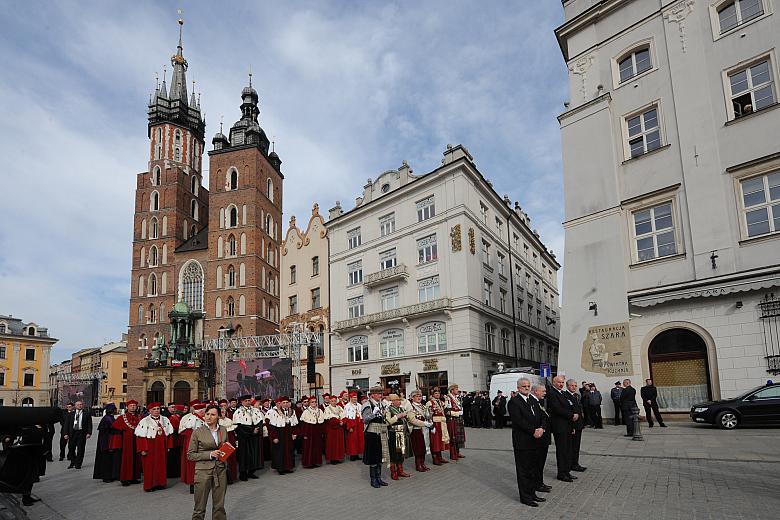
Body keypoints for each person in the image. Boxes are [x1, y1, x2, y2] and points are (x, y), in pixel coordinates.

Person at [508, 378, 547, 508]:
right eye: (524, 386)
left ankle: (532, 493)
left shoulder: (533, 400)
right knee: (524, 471)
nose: (526, 388)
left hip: (536, 441)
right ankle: (525, 497)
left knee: (533, 470)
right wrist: (533, 431)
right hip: (523, 442)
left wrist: (541, 428)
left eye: (528, 386)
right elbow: (518, 421)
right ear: (518, 388)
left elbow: (542, 415)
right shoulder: (514, 402)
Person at [188, 404, 229, 520]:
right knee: (199, 506)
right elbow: (190, 455)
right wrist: (210, 454)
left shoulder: (223, 430)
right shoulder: (198, 432)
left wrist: (226, 454)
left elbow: (226, 447)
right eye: (207, 414)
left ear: (218, 416)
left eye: (213, 414)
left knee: (219, 506)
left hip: (220, 470)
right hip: (203, 471)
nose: (209, 417)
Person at [135, 402, 174, 492]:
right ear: (149, 411)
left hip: (162, 446)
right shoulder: (144, 421)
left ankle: (161, 483)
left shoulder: (165, 419)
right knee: (149, 466)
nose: (156, 411)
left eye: (158, 409)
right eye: (154, 409)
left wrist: (169, 446)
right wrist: (143, 449)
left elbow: (169, 434)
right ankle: (149, 485)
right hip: (150, 446)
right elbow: (140, 436)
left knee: (161, 465)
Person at [546, 375, 577, 482]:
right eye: (559, 382)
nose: (561, 384)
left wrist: (572, 425)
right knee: (562, 451)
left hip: (567, 426)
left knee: (568, 450)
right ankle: (561, 473)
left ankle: (567, 471)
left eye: (562, 382)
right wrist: (571, 415)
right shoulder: (552, 393)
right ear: (554, 382)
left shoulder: (563, 393)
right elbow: (556, 409)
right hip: (559, 427)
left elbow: (569, 406)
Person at [362, 386, 390, 488]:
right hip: (372, 433)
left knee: (380, 456)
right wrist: (373, 413)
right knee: (373, 457)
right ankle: (373, 479)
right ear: (372, 395)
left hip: (381, 432)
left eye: (381, 393)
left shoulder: (382, 404)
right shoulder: (367, 404)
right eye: (378, 393)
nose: (380, 395)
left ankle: (379, 478)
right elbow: (365, 419)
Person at [111, 399, 142, 486]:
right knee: (126, 460)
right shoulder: (122, 418)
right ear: (127, 407)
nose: (133, 407)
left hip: (137, 441)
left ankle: (134, 477)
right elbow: (115, 430)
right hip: (126, 443)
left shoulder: (140, 417)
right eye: (131, 406)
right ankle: (125, 478)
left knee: (136, 459)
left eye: (134, 406)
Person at [232, 394, 263, 481]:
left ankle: (251, 472)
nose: (248, 402)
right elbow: (238, 426)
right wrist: (251, 431)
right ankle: (243, 474)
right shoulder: (238, 412)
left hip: (254, 437)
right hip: (244, 437)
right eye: (246, 401)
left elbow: (260, 421)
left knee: (253, 454)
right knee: (244, 456)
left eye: (249, 400)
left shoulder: (255, 410)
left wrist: (257, 429)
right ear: (242, 402)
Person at [265, 396, 298, 474]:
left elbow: (295, 424)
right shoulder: (275, 412)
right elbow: (272, 426)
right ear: (281, 404)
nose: (285, 404)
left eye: (287, 402)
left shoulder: (292, 411)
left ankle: (288, 467)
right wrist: (274, 437)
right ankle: (280, 469)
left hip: (289, 434)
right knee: (280, 451)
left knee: (289, 451)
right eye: (284, 403)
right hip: (280, 434)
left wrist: (295, 433)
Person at [529, 384, 552, 494]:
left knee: (541, 462)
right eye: (543, 391)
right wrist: (540, 428)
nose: (545, 393)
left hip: (543, 436)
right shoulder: (531, 401)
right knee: (537, 463)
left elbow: (544, 417)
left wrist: (543, 427)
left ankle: (539, 482)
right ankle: (536, 484)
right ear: (535, 391)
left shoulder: (539, 401)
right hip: (538, 437)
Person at [180, 402, 207, 493]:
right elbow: (190, 437)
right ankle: (193, 485)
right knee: (193, 466)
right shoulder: (192, 420)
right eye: (204, 411)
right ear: (200, 411)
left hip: (201, 446)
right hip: (195, 448)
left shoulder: (200, 419)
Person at [385, 394, 412, 480]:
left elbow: (406, 419)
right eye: (398, 400)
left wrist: (407, 416)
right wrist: (397, 416)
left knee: (400, 453)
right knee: (394, 453)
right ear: (393, 401)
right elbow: (387, 422)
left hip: (401, 432)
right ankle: (393, 472)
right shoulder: (388, 410)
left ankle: (400, 470)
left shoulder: (401, 409)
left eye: (399, 400)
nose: (400, 402)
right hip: (393, 433)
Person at [93, 403, 120, 483]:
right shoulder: (107, 419)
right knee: (106, 461)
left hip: (109, 442)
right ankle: (106, 476)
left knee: (110, 460)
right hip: (107, 443)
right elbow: (108, 432)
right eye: (115, 409)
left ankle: (111, 475)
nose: (116, 410)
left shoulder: (109, 418)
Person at [407, 390, 432, 472]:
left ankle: (422, 463)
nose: (419, 398)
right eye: (416, 396)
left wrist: (430, 422)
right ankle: (418, 465)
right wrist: (424, 423)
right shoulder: (411, 407)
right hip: (416, 429)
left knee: (424, 447)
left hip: (425, 429)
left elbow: (427, 416)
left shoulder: (423, 406)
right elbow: (412, 420)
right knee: (418, 448)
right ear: (412, 398)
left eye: (420, 396)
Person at [63, 400, 92, 469]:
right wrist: (65, 433)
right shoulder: (71, 414)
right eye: (78, 404)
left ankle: (78, 464)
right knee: (71, 448)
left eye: (81, 404)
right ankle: (73, 462)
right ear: (75, 406)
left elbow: (89, 424)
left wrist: (89, 433)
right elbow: (66, 424)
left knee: (81, 449)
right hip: (72, 433)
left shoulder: (86, 414)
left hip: (81, 433)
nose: (80, 406)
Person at [566, 379, 587, 473]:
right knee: (572, 447)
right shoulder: (566, 396)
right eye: (572, 385)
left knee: (576, 446)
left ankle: (575, 463)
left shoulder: (576, 396)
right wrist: (572, 426)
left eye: (575, 385)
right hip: (572, 425)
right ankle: (572, 464)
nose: (574, 387)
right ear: (567, 386)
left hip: (579, 424)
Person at [426, 387, 450, 465]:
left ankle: (440, 457)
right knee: (435, 441)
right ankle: (435, 458)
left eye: (438, 393)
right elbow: (427, 415)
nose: (437, 394)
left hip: (441, 424)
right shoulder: (429, 403)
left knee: (440, 441)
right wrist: (431, 425)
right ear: (433, 394)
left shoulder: (441, 402)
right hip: (435, 424)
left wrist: (447, 399)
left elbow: (445, 408)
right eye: (436, 393)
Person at [299, 396, 325, 468]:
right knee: (309, 448)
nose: (314, 403)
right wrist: (304, 434)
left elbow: (322, 424)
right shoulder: (306, 411)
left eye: (315, 402)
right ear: (309, 403)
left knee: (317, 447)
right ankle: (309, 463)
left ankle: (316, 462)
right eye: (312, 402)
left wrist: (322, 432)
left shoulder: (320, 411)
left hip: (317, 432)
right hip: (309, 432)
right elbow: (303, 424)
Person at [444, 384, 466, 461]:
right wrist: (456, 413)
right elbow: (446, 411)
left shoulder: (457, 398)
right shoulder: (448, 398)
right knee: (453, 436)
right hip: (452, 419)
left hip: (459, 419)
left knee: (458, 437)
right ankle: (453, 454)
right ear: (452, 390)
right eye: (456, 389)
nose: (457, 390)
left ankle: (457, 452)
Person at [217, 405, 238, 484]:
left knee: (231, 458)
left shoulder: (229, 420)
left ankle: (231, 477)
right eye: (221, 412)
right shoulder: (217, 422)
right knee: (222, 459)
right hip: (221, 440)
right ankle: (222, 478)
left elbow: (233, 432)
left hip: (230, 439)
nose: (223, 413)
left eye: (224, 412)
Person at [323, 394, 346, 464]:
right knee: (332, 444)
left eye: (335, 401)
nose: (334, 402)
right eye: (332, 401)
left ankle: (338, 457)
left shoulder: (339, 407)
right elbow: (329, 419)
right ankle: (333, 459)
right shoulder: (327, 409)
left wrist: (343, 421)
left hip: (339, 429)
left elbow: (344, 415)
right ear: (330, 401)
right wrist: (338, 421)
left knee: (339, 443)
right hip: (332, 429)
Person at [343, 392, 364, 461]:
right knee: (352, 440)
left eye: (356, 397)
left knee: (358, 439)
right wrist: (349, 427)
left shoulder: (359, 405)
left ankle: (357, 454)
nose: (355, 399)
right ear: (350, 398)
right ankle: (352, 455)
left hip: (359, 424)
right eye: (353, 398)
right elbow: (346, 417)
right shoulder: (347, 406)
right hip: (352, 424)